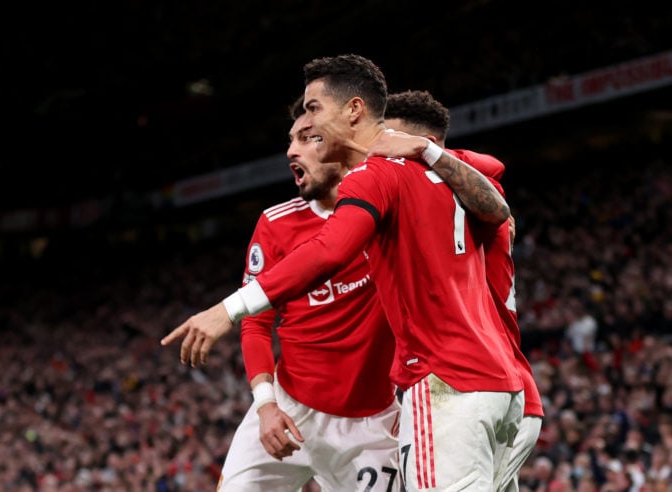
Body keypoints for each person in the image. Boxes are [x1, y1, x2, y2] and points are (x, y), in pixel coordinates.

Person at [162, 54, 524, 490]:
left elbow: (330, 250)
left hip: (408, 402)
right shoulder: (283, 221)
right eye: (293, 136)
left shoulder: (383, 179)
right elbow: (497, 201)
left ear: (353, 111)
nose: (298, 143)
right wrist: (265, 404)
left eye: (311, 117)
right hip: (303, 406)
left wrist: (225, 310)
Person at [217, 96, 401, 492]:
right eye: (291, 140)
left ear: (339, 144)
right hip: (287, 410)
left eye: (308, 138)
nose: (291, 151)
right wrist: (266, 406)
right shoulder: (275, 223)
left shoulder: (388, 209)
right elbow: (256, 323)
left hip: (371, 427)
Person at [380, 89, 545, 491]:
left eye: (392, 142)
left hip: (461, 380)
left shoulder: (449, 199)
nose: (384, 154)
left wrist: (418, 149)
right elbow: (491, 163)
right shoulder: (470, 194)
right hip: (511, 389)